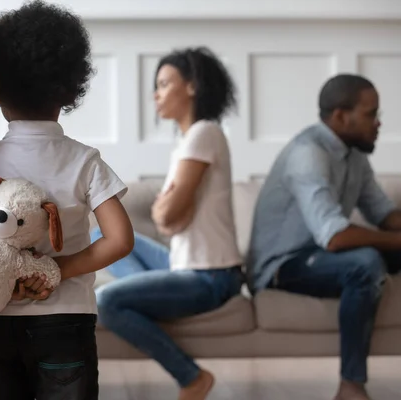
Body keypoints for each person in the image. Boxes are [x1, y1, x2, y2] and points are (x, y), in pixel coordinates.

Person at [0, 1, 134, 399]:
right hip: (66, 321)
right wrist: (57, 269)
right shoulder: (84, 160)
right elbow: (120, 239)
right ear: (70, 88)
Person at [93, 47, 243, 400]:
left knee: (106, 303)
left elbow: (168, 215)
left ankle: (191, 377)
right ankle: (149, 293)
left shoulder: (204, 133)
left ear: (191, 87)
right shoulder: (189, 140)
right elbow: (168, 218)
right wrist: (168, 206)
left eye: (163, 84)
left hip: (211, 275)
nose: (155, 94)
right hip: (184, 265)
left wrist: (168, 205)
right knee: (102, 234)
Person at [247, 74, 401, 400]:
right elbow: (334, 237)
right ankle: (351, 385)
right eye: (371, 114)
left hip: (322, 256)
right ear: (341, 116)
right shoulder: (308, 154)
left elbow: (384, 215)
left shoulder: (355, 156)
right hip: (283, 264)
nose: (378, 123)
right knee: (365, 263)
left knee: (374, 255)